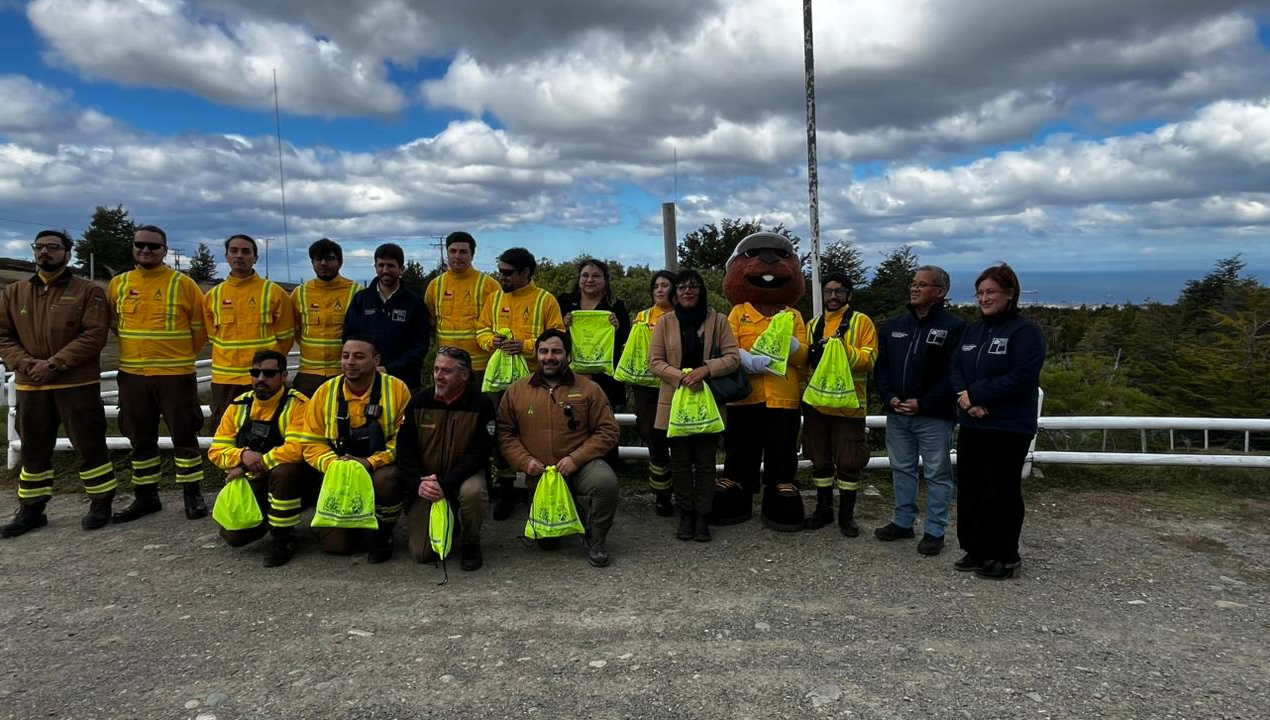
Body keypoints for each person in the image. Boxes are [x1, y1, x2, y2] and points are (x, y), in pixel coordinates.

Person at [0, 230, 114, 536]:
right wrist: (26, 364)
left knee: (90, 446)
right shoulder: (14, 293)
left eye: (53, 247)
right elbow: (3, 336)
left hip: (75, 385)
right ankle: (32, 509)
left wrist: (55, 363)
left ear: (68, 253)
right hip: (30, 385)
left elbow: (94, 335)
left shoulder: (89, 291)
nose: (45, 253)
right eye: (39, 247)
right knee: (33, 449)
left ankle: (101, 502)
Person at [950, 264, 1046, 580]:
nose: (984, 298)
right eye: (980, 292)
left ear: (1009, 294)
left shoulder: (1025, 331)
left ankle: (1005, 555)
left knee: (1000, 491)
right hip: (973, 423)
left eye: (991, 292)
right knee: (971, 489)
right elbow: (956, 369)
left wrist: (977, 395)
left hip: (1008, 425)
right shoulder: (972, 330)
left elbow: (1022, 376)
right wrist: (967, 398)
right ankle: (976, 549)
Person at [108, 225, 209, 522]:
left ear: (165, 251)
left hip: (175, 374)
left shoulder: (184, 284)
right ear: (133, 247)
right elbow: (114, 323)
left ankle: (192, 493)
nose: (146, 250)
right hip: (132, 375)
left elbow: (199, 329)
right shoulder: (119, 284)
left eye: (154, 246)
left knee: (185, 435)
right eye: (140, 245)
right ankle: (146, 496)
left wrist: (175, 355)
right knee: (140, 438)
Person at [496, 329, 620, 567]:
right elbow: (505, 433)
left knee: (606, 483)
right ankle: (573, 510)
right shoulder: (517, 391)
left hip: (580, 466)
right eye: (543, 351)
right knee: (547, 543)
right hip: (540, 473)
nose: (549, 357)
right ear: (536, 354)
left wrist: (577, 458)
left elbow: (608, 430)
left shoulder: (589, 388)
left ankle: (596, 538)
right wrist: (524, 462)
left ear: (568, 356)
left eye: (556, 351)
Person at [717, 232, 810, 531]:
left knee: (782, 446)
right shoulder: (737, 312)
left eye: (780, 256)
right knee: (741, 445)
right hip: (746, 395)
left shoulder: (794, 315)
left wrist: (793, 348)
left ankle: (781, 485)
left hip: (784, 397)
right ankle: (737, 486)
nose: (769, 261)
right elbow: (727, 347)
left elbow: (805, 354)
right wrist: (747, 359)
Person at [874, 265, 965, 556]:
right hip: (898, 413)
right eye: (913, 283)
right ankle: (902, 521)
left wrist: (924, 403)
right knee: (902, 469)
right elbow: (882, 367)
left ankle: (935, 530)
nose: (914, 288)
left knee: (938, 473)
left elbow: (954, 374)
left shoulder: (955, 327)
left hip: (934, 417)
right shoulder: (895, 325)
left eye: (922, 285)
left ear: (940, 292)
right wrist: (889, 397)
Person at [297, 335, 412, 563]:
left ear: (376, 359)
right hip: (339, 472)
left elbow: (405, 441)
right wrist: (334, 465)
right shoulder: (325, 392)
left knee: (387, 479)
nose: (350, 362)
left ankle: (384, 531)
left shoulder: (397, 390)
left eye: (359, 357)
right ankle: (346, 525)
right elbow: (310, 441)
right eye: (346, 356)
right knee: (337, 548)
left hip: (377, 466)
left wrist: (371, 462)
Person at [648, 270, 740, 542]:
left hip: (707, 400)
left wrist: (706, 370)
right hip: (675, 400)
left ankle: (703, 514)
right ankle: (685, 513)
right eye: (682, 287)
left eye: (693, 286)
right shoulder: (665, 322)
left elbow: (733, 357)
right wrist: (682, 376)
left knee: (705, 462)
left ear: (701, 290)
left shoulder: (718, 320)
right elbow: (654, 361)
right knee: (680, 461)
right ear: (675, 293)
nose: (687, 292)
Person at [476, 247, 565, 520]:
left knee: (535, 432)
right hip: (500, 382)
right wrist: (492, 341)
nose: (501, 277)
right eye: (499, 271)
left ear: (525, 273)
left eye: (507, 273)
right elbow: (480, 330)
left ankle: (536, 488)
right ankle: (505, 491)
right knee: (501, 432)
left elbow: (559, 335)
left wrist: (526, 346)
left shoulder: (545, 300)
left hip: (535, 380)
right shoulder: (493, 299)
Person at [207, 350, 315, 567]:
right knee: (234, 537)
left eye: (268, 373)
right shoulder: (239, 405)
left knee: (285, 471)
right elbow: (216, 451)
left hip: (296, 480)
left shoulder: (299, 404)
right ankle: (265, 519)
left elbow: (295, 450)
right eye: (255, 373)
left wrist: (252, 466)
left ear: (284, 376)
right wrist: (242, 455)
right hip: (255, 479)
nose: (260, 379)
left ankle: (284, 538)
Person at [396, 346, 495, 572]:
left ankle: (471, 542)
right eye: (436, 369)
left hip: (462, 476)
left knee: (474, 492)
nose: (438, 376)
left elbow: (480, 452)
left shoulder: (481, 404)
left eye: (446, 371)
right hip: (426, 481)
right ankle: (451, 522)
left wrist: (446, 482)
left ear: (464, 375)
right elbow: (405, 450)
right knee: (422, 554)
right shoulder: (419, 401)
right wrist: (420, 483)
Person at [800, 273, 878, 537]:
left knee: (849, 461)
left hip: (849, 406)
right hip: (817, 407)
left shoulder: (860, 322)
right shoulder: (813, 325)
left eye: (839, 292)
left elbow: (869, 360)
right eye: (829, 292)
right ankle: (823, 510)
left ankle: (847, 515)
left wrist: (840, 349)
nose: (833, 296)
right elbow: (805, 364)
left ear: (849, 295)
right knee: (819, 460)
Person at [204, 234, 296, 428]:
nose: (240, 256)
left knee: (267, 428)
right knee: (225, 428)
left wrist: (270, 369)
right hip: (225, 379)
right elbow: (212, 335)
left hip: (263, 377)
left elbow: (286, 337)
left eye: (246, 251)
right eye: (234, 251)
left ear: (255, 258)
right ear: (226, 256)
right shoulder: (213, 296)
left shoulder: (274, 292)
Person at [343, 243, 430, 390]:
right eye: (381, 265)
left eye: (390, 266)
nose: (385, 270)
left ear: (401, 269)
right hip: (365, 379)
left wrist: (390, 369)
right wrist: (366, 365)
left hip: (405, 381)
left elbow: (420, 345)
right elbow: (349, 336)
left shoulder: (414, 302)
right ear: (375, 267)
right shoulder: (361, 300)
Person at [556, 258, 631, 412]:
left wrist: (617, 328)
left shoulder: (616, 305)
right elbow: (552, 336)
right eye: (585, 275)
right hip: (570, 375)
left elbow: (627, 339)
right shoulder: (564, 302)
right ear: (579, 279)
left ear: (605, 280)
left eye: (596, 276)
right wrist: (562, 325)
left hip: (606, 379)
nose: (589, 280)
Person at [631, 270, 677, 516]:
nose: (660, 290)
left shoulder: (682, 315)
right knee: (653, 438)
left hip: (675, 384)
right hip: (646, 387)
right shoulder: (642, 317)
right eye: (656, 286)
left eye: (665, 285)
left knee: (678, 439)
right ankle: (661, 494)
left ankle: (682, 491)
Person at [425, 231, 498, 384]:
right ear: (447, 254)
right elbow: (430, 322)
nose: (457, 256)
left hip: (479, 367)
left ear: (472, 255)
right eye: (453, 251)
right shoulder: (435, 286)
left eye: (463, 252)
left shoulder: (489, 285)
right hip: (446, 366)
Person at [290, 238, 358, 398]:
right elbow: (294, 330)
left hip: (344, 372)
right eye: (317, 259)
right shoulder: (300, 293)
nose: (323, 263)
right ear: (312, 262)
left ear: (340, 262)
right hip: (308, 373)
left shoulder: (356, 291)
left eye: (329, 258)